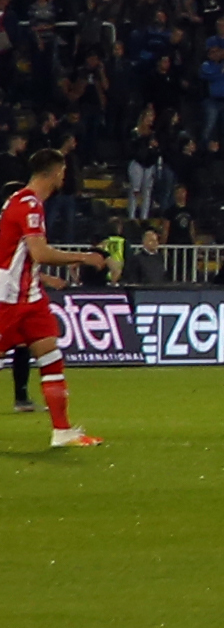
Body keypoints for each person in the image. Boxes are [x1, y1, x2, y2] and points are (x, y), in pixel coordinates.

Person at [3, 152, 102, 451]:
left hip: (30, 296)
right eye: (62, 172)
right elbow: (40, 253)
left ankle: (62, 430)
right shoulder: (29, 204)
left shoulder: (23, 201)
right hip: (9, 298)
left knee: (50, 356)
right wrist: (84, 257)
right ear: (55, 172)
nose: (64, 177)